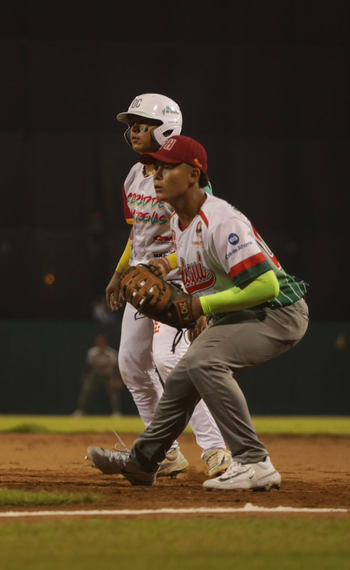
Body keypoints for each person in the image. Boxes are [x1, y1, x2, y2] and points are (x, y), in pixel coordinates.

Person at [87, 136, 310, 491]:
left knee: (204, 361)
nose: (156, 175)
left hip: (278, 312)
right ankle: (144, 462)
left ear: (193, 174)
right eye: (155, 167)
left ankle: (254, 461)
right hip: (243, 312)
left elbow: (266, 287)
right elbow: (199, 257)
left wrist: (201, 306)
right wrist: (166, 263)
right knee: (181, 377)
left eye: (167, 167)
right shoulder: (180, 221)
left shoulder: (222, 220)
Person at [103, 94, 232, 479]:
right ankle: (167, 452)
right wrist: (118, 272)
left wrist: (197, 290)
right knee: (130, 365)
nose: (133, 132)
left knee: (170, 360)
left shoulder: (184, 175)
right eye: (131, 125)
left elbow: (201, 231)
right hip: (142, 282)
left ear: (166, 128)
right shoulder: (134, 175)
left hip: (179, 280)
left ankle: (216, 451)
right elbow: (138, 233)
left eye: (142, 124)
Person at [72, 335, 123, 418]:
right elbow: (88, 366)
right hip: (96, 373)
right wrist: (84, 376)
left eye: (103, 342)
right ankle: (80, 411)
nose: (101, 343)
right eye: (99, 342)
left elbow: (117, 367)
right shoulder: (92, 352)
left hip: (108, 374)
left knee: (113, 394)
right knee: (86, 391)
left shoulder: (111, 353)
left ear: (106, 343)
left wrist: (118, 379)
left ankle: (116, 412)